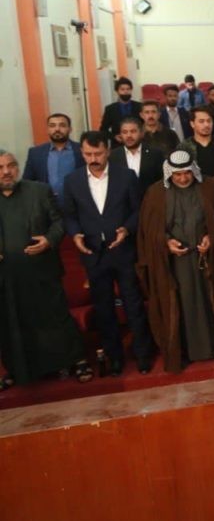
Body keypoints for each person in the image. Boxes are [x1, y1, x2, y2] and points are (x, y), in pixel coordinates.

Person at [136, 150, 214, 372]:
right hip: (174, 264)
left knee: (209, 301)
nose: (183, 178)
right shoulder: (156, 193)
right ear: (170, 174)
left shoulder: (210, 187)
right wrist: (165, 242)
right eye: (178, 175)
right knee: (181, 305)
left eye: (187, 173)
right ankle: (184, 352)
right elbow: (149, 230)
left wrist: (211, 237)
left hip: (207, 258)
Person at [63, 131, 154, 375]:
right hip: (93, 254)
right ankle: (115, 358)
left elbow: (138, 210)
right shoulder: (72, 181)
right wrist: (75, 234)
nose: (93, 158)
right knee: (103, 309)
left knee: (133, 305)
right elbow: (69, 216)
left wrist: (127, 228)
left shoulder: (126, 176)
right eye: (88, 154)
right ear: (82, 153)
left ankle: (143, 354)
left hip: (123, 251)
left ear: (108, 151)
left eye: (98, 153)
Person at [0, 150, 92, 390]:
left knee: (56, 319)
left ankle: (77, 361)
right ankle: (18, 370)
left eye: (11, 165)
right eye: (0, 168)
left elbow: (60, 222)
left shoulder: (38, 191)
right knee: (13, 324)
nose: (6, 172)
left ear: (18, 168)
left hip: (42, 271)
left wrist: (49, 241)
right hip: (7, 278)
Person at [23, 112, 84, 206]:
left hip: (77, 205)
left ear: (70, 129)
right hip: (46, 206)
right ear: (47, 130)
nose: (57, 129)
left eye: (62, 125)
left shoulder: (81, 150)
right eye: (52, 126)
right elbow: (27, 182)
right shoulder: (35, 153)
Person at [178, 106, 214, 178]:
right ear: (192, 124)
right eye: (201, 121)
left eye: (209, 121)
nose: (206, 125)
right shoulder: (183, 147)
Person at [110, 117, 165, 190]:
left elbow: (162, 181)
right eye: (125, 132)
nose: (129, 135)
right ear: (120, 135)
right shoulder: (113, 156)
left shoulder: (155, 154)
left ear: (141, 133)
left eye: (133, 131)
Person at [99, 77, 142, 143]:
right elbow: (103, 130)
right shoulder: (110, 109)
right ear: (117, 91)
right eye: (122, 89)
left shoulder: (140, 106)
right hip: (118, 144)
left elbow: (145, 125)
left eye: (128, 89)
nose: (125, 91)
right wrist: (114, 137)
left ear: (131, 90)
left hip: (138, 142)